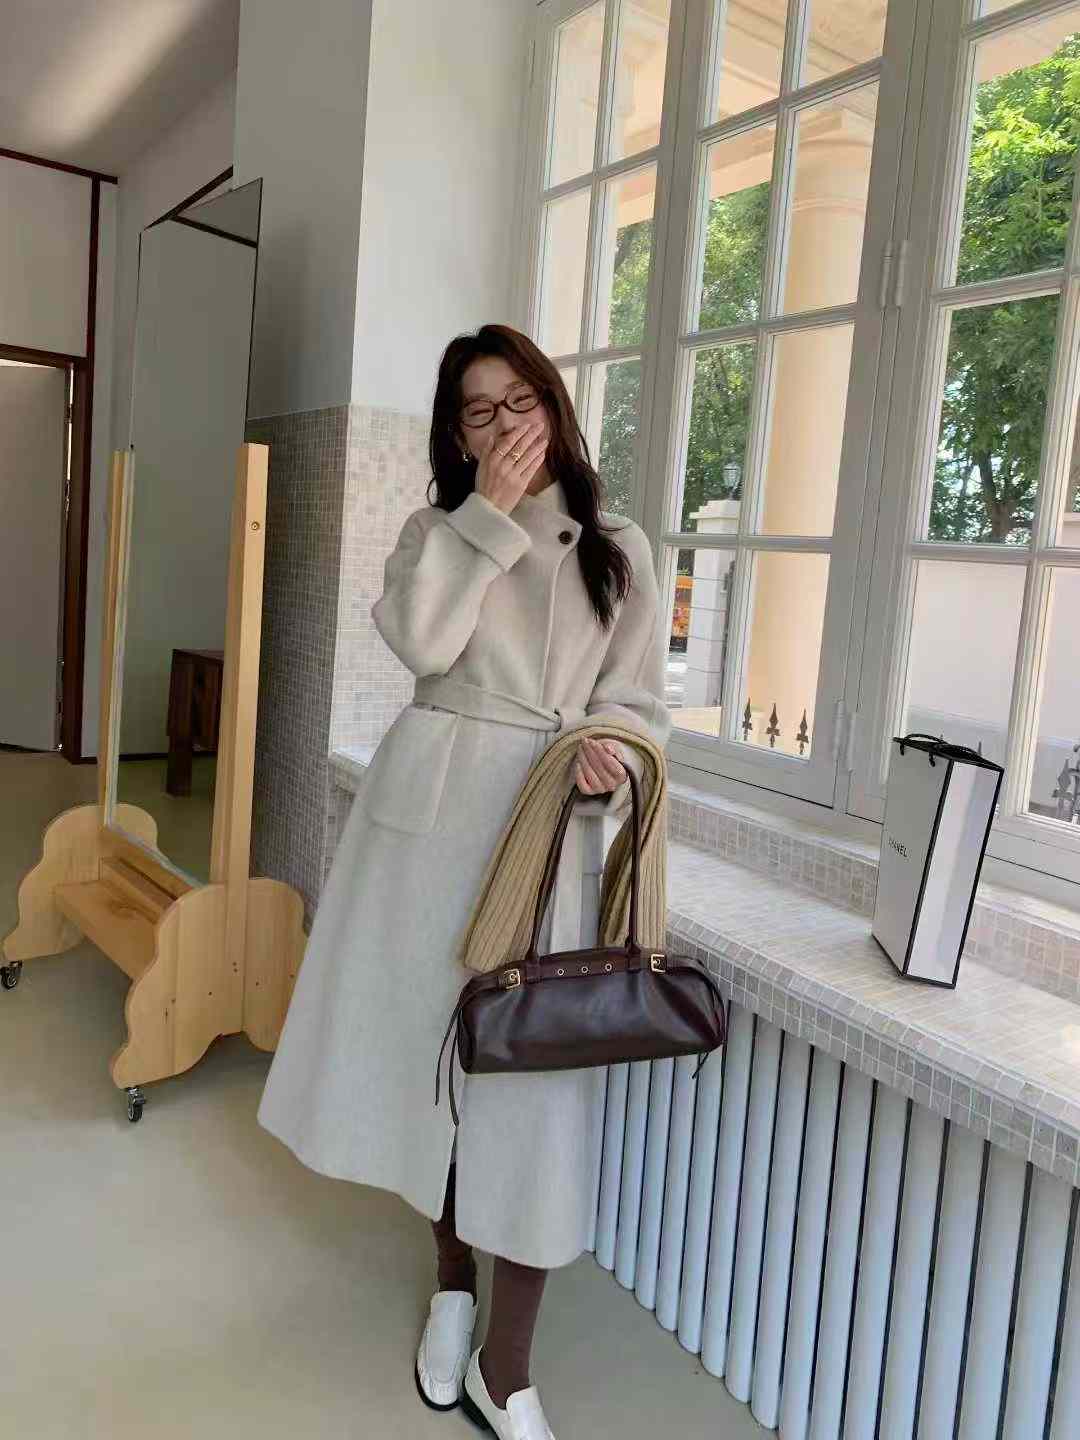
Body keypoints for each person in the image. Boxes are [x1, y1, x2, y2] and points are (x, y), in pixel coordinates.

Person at [257, 323, 672, 1438]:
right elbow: (422, 642)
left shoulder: (619, 545)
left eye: (520, 400)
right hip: (429, 828)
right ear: (456, 432)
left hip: (544, 833)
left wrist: (608, 753)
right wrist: (484, 517)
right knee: (433, 1064)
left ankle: (508, 1363)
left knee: (532, 1090)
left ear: (556, 406)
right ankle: (451, 1284)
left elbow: (638, 703)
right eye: (478, 410)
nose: (504, 425)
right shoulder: (435, 531)